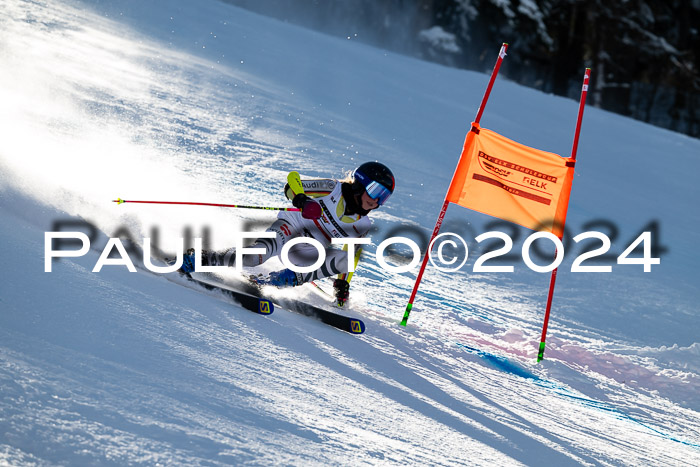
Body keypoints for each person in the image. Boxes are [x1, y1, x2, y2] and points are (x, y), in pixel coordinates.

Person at [180, 161, 395, 305]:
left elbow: (351, 256)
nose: (376, 201)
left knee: (345, 259)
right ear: (361, 183)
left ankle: (278, 280)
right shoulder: (332, 188)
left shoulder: (362, 225)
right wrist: (301, 200)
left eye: (383, 197)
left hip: (305, 252)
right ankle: (201, 258)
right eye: (376, 191)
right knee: (255, 256)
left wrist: (342, 283)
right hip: (289, 228)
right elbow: (293, 181)